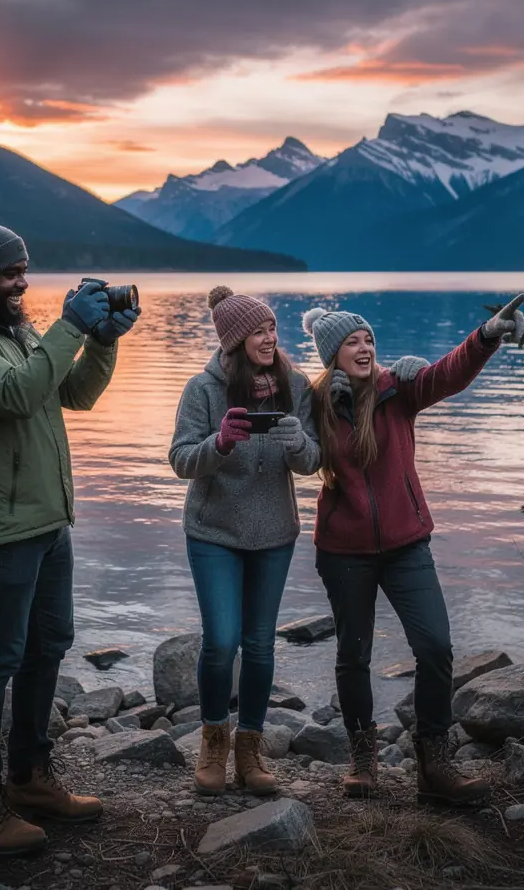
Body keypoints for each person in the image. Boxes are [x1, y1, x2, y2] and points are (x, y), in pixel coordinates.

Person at [0, 219, 139, 855]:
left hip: (46, 521)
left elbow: (76, 394)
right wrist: (69, 326)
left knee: (47, 649)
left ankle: (31, 778)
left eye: (24, 270)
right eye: (11, 273)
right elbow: (17, 395)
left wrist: (101, 341)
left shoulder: (16, 333)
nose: (22, 282)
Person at [302, 295, 524, 804]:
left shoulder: (398, 389)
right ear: (332, 354)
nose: (364, 348)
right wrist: (323, 408)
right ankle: (363, 759)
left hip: (407, 545)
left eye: (369, 339)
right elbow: (286, 432)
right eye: (351, 342)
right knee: (353, 654)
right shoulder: (315, 402)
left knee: (435, 647)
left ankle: (434, 764)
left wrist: (487, 335)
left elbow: (449, 374)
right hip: (343, 551)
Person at [169, 286, 320, 796]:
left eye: (272, 328)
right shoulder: (203, 390)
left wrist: (298, 444)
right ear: (234, 341)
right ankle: (214, 740)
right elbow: (181, 459)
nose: (270, 338)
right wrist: (219, 443)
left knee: (258, 644)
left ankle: (250, 749)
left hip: (274, 533)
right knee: (221, 641)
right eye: (258, 331)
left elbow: (313, 460)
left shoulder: (295, 385)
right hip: (214, 533)